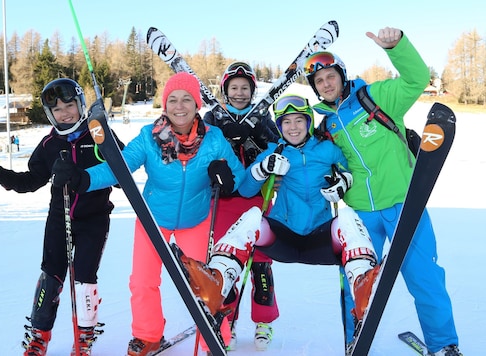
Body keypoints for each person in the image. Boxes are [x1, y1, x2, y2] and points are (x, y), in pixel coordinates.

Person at [50, 72, 246, 356]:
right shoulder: (149, 138)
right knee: (143, 281)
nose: (180, 106)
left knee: (206, 286)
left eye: (187, 99)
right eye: (173, 100)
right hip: (153, 220)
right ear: (165, 105)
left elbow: (237, 178)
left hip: (197, 218)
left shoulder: (214, 140)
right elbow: (119, 166)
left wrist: (226, 177)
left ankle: (213, 338)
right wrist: (82, 178)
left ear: (197, 104)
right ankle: (148, 335)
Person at [174, 94, 381, 351]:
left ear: (308, 122)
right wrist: (262, 169)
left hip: (320, 238)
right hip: (282, 237)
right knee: (251, 216)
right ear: (279, 126)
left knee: (348, 218)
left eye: (299, 121)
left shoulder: (328, 149)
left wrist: (343, 181)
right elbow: (248, 190)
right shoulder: (274, 151)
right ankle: (218, 281)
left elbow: (350, 168)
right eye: (286, 122)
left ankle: (362, 284)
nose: (293, 127)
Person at [303, 27, 461, 355]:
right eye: (319, 82)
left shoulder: (375, 97)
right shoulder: (325, 128)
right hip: (360, 215)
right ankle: (355, 342)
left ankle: (444, 345)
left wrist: (397, 46)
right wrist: (335, 182)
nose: (326, 84)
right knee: (356, 284)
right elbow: (327, 166)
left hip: (405, 205)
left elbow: (416, 79)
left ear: (342, 75)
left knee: (425, 278)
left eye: (330, 76)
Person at [0, 78, 123, 356]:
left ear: (80, 104)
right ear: (48, 113)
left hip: (94, 219)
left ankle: (83, 340)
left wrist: (108, 150)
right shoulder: (48, 145)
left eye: (70, 105)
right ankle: (39, 337)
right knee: (51, 276)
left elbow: (121, 176)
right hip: (59, 219)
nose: (65, 113)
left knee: (84, 278)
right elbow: (29, 182)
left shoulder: (98, 134)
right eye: (57, 109)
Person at [202, 61, 280, 350]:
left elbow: (278, 145)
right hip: (222, 201)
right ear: (225, 90)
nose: (239, 93)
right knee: (226, 264)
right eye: (233, 87)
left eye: (244, 88)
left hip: (257, 200)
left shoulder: (262, 118)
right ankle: (226, 321)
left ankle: (264, 322)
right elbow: (201, 150)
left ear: (252, 91)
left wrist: (257, 138)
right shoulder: (213, 118)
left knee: (261, 265)